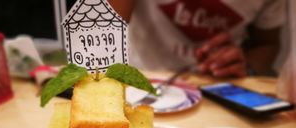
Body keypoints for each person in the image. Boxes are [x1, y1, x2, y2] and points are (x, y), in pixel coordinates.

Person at [109, 0, 286, 78]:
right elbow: (106, 29)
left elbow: (267, 44)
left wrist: (247, 65)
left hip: (219, 88)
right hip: (144, 79)